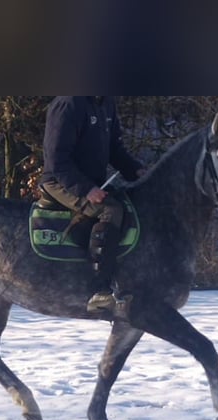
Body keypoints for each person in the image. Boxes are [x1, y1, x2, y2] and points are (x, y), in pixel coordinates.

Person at [39, 96, 147, 313]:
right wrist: (85, 189)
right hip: (59, 181)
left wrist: (136, 170)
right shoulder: (68, 104)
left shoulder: (106, 103)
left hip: (94, 182)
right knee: (111, 210)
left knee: (131, 204)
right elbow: (56, 160)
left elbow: (115, 149)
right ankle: (99, 290)